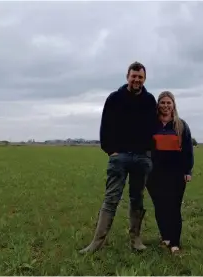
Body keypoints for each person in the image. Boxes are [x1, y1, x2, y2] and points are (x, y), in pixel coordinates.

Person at [79, 62, 157, 254]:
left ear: (144, 79)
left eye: (140, 77)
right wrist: (110, 150)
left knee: (137, 199)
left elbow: (154, 128)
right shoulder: (114, 99)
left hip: (141, 158)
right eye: (134, 76)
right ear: (127, 77)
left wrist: (148, 151)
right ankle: (97, 241)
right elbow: (105, 126)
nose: (137, 80)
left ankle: (136, 239)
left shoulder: (149, 100)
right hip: (119, 157)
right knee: (111, 199)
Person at [146, 91, 194, 255]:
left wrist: (188, 170)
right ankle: (165, 236)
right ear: (158, 105)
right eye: (162, 102)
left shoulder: (181, 125)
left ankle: (175, 242)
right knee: (160, 207)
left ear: (173, 104)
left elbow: (188, 150)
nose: (166, 106)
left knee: (174, 208)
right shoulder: (152, 124)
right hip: (154, 173)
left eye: (169, 102)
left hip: (176, 173)